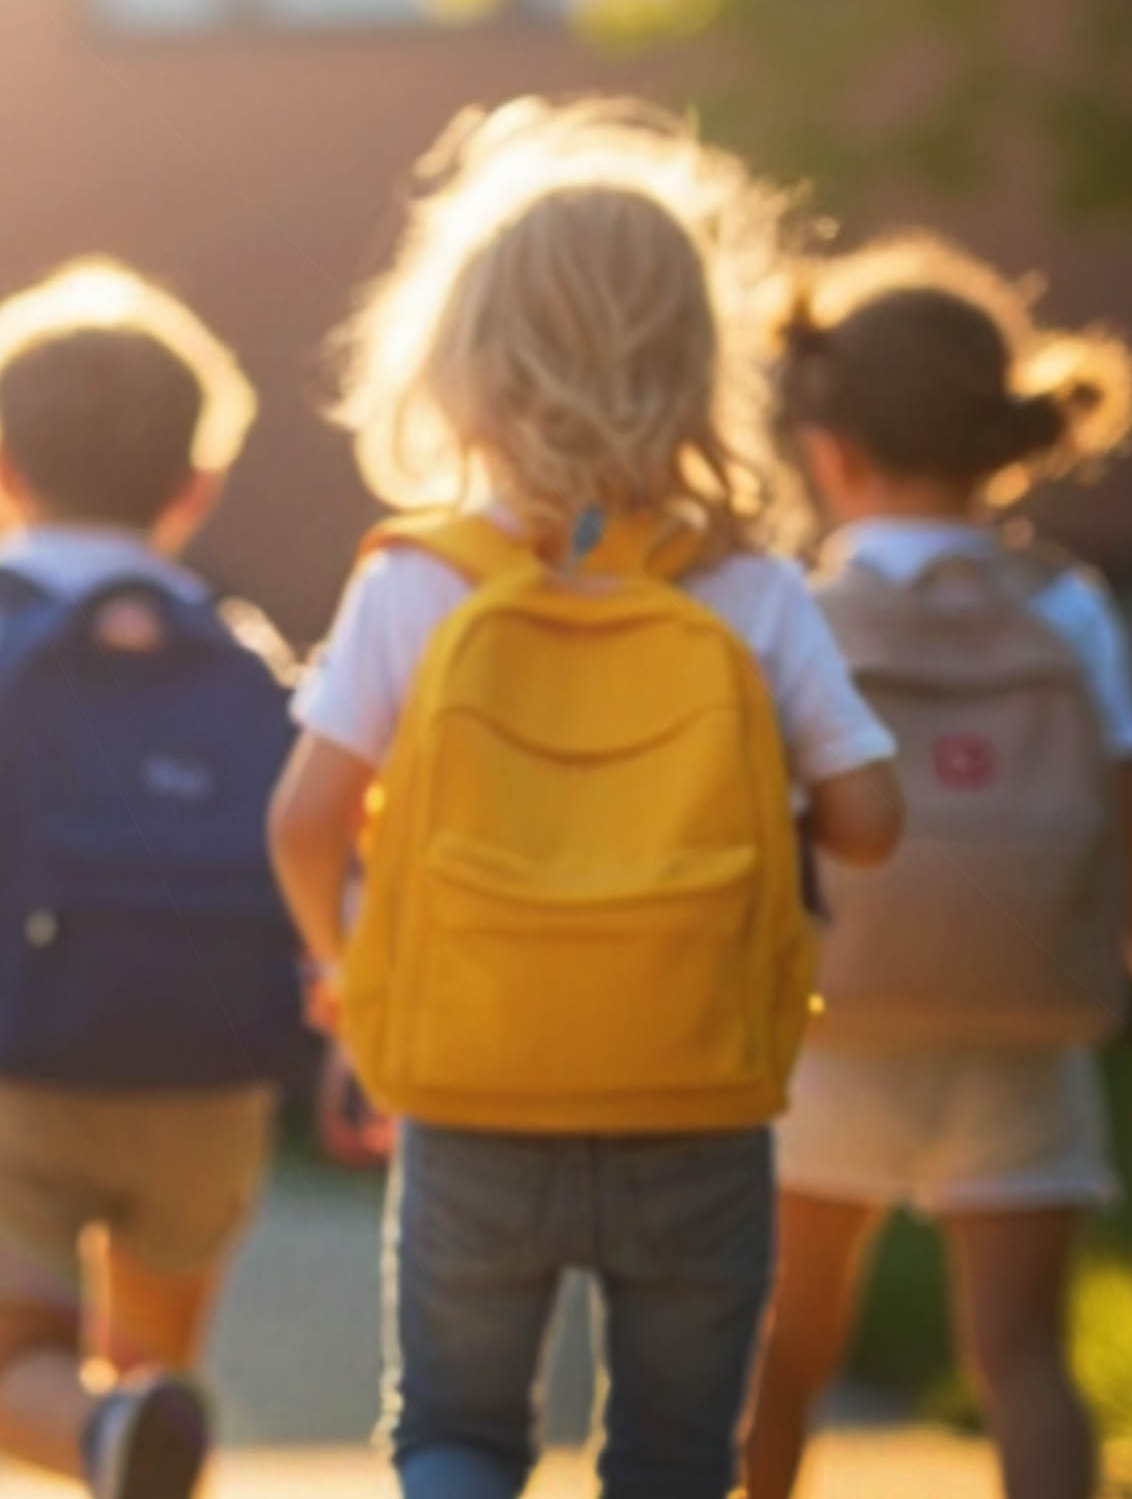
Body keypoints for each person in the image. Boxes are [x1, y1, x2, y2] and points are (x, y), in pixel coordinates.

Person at [263, 99, 908, 1499]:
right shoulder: (748, 591)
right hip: (699, 1093)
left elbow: (303, 823)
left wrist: (344, 964)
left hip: (473, 1093)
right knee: (675, 1454)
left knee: (455, 1432)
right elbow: (867, 820)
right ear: (695, 369)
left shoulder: (414, 580)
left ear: (458, 366)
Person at [742, 235, 1132, 1499]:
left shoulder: (796, 615)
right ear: (1001, 436)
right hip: (1025, 1025)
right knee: (1024, 1357)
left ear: (829, 450)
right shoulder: (1066, 604)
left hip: (833, 1028)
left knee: (781, 1352)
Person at [0, 258, 295, 1499]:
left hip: (5, 1058)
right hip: (208, 1072)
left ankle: (98, 1438)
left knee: (23, 1373)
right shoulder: (235, 640)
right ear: (197, 486)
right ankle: (132, 1435)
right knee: (158, 1373)